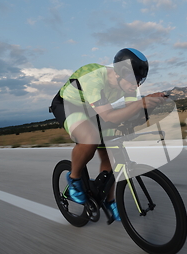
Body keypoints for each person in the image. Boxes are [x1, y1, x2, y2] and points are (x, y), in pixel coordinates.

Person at [49, 48, 165, 221]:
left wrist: (151, 104)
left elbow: (131, 113)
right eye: (134, 79)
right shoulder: (94, 77)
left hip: (92, 108)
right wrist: (141, 103)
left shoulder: (129, 85)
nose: (136, 85)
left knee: (112, 151)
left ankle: (109, 200)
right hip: (68, 103)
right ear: (119, 72)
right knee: (90, 139)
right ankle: (74, 179)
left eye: (140, 81)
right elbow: (109, 116)